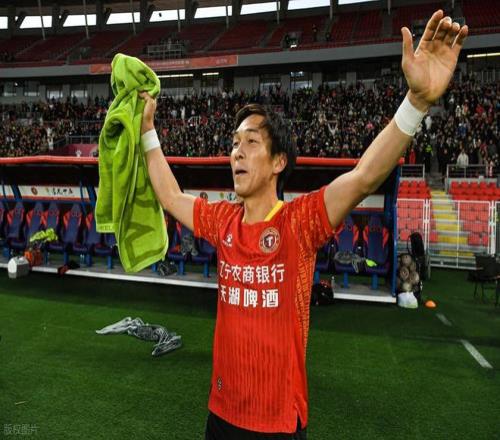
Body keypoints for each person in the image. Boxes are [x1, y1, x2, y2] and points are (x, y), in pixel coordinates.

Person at [138, 10, 467, 439]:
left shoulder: (300, 222)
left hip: (278, 424)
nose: (237, 152)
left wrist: (417, 103)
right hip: (220, 413)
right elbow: (169, 196)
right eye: (234, 143)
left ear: (278, 162)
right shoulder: (222, 221)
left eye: (251, 142)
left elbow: (364, 176)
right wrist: (148, 131)